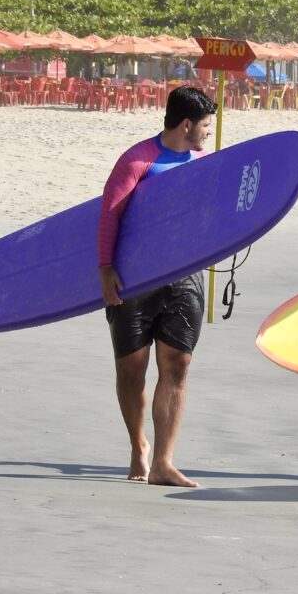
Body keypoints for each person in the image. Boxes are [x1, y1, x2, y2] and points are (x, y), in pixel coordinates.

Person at [98, 86, 216, 487]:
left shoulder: (205, 162)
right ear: (186, 124)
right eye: (205, 125)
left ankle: (164, 461)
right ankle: (139, 445)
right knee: (132, 369)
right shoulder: (137, 160)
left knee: (177, 364)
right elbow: (109, 216)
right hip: (135, 277)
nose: (208, 132)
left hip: (184, 275)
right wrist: (105, 269)